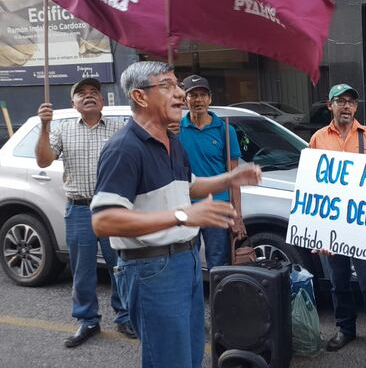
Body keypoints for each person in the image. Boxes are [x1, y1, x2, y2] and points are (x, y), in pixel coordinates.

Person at [90, 61, 262, 368]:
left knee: (190, 355)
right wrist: (183, 216)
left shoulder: (172, 143)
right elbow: (104, 220)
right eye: (168, 86)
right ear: (140, 97)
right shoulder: (124, 149)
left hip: (187, 261)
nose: (180, 94)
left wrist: (229, 179)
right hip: (152, 268)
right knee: (169, 360)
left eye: (178, 85)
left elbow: (191, 187)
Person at [34, 76, 135, 347]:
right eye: (82, 93)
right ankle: (87, 320)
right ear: (74, 103)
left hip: (114, 208)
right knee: (82, 269)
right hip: (79, 209)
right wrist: (44, 126)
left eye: (94, 92)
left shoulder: (121, 127)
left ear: (102, 100)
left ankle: (125, 316)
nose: (89, 95)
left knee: (121, 266)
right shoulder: (61, 129)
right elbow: (43, 159)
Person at [308, 83, 366, 354]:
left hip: (364, 224)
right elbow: (311, 185)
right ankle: (345, 329)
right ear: (329, 104)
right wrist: (315, 228)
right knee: (338, 281)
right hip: (333, 225)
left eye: (351, 102)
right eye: (340, 101)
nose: (346, 106)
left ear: (356, 107)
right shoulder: (318, 139)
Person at [178, 74, 245, 268]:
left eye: (203, 95)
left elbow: (234, 177)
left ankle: (219, 299)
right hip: (186, 205)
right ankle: (193, 299)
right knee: (186, 262)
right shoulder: (175, 130)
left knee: (219, 262)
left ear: (210, 98)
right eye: (193, 95)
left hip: (218, 206)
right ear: (185, 99)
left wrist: (237, 215)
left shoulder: (225, 130)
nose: (198, 100)